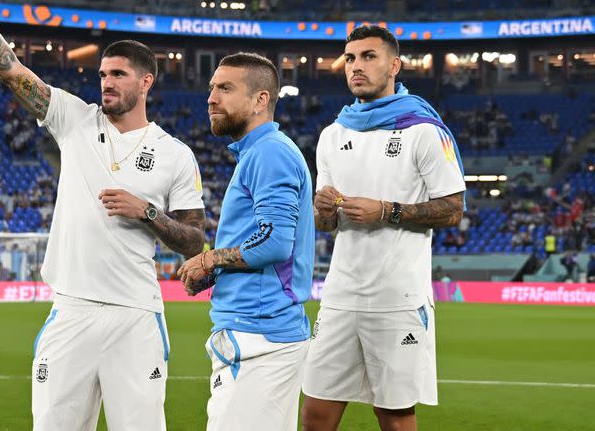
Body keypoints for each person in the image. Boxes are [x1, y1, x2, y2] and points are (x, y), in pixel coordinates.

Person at [0, 0, 206, 431]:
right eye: (102, 74)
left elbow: (193, 241)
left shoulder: (176, 154)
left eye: (118, 74)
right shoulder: (74, 119)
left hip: (136, 316)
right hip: (71, 311)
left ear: (146, 83)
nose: (106, 82)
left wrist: (146, 212)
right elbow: (6, 68)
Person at [301, 25, 466, 431]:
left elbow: (453, 209)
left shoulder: (424, 130)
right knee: (316, 415)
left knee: (394, 416)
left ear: (394, 65)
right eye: (351, 58)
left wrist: (387, 211)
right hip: (341, 294)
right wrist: (321, 209)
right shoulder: (332, 134)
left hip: (397, 297)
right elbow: (327, 225)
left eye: (369, 56)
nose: (356, 66)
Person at [178, 53, 315, 431]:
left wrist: (209, 260)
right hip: (258, 333)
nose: (211, 98)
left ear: (260, 100)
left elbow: (274, 243)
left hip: (260, 334)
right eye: (211, 89)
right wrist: (216, 269)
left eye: (225, 88)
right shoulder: (257, 153)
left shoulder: (269, 153)